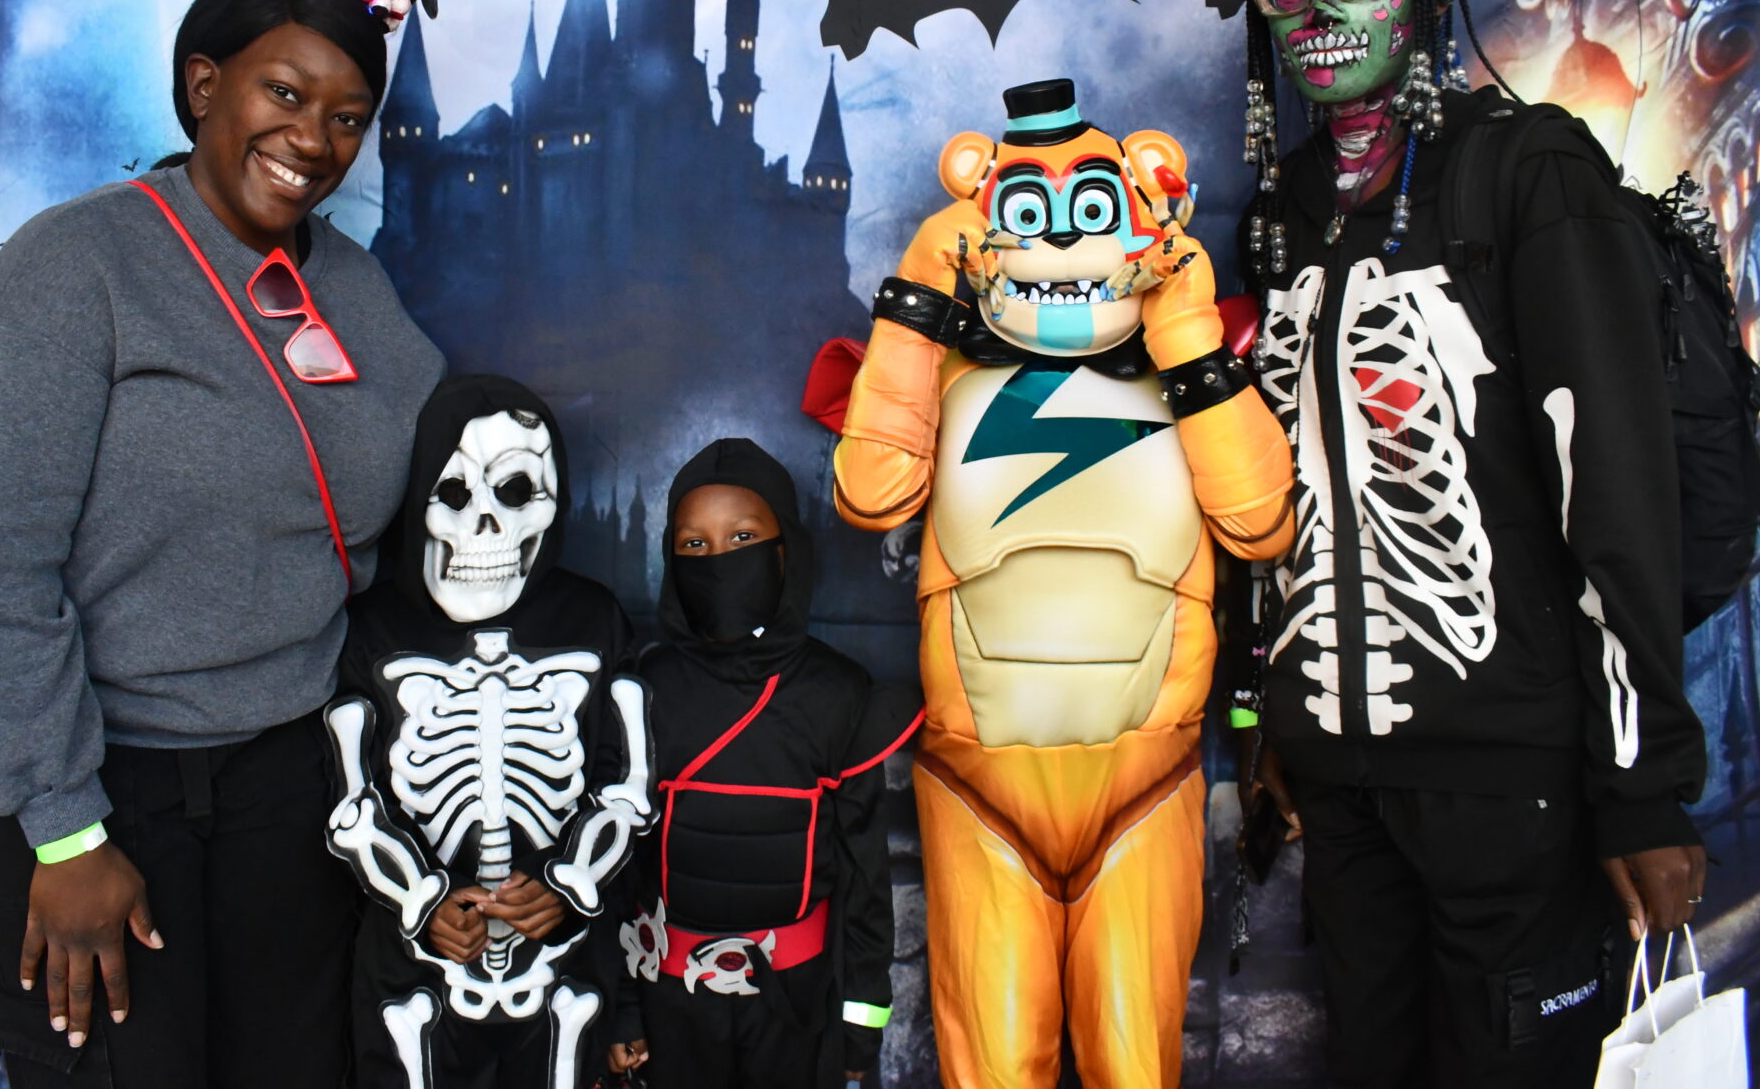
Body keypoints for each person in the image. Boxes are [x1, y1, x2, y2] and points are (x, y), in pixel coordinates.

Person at [1234, 0, 1708, 1088]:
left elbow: (1612, 487)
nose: (1320, 8)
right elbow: (1269, 489)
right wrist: (1273, 714)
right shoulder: (1280, 212)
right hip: (1335, 781)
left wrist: (1642, 788)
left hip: (1512, 778)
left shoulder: (1523, 168)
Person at [0, 0, 446, 1087]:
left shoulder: (355, 289)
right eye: (284, 94)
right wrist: (65, 831)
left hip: (288, 775)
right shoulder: (76, 265)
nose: (313, 140)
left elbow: (428, 479)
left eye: (347, 118)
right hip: (100, 778)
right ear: (205, 85)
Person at [828, 80, 1294, 1088]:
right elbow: (870, 492)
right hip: (979, 788)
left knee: (1135, 1063)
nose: (1062, 242)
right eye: (1027, 213)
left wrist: (1186, 326)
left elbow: (1260, 524)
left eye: (1091, 207)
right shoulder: (945, 373)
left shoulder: (1185, 378)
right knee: (993, 1064)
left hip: (1145, 782)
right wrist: (919, 288)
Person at [324, 374, 652, 1089]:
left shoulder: (591, 619)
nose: (485, 524)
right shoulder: (374, 628)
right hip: (413, 975)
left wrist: (571, 882)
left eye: (515, 492)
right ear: (419, 497)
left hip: (564, 968)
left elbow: (625, 783)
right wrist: (420, 900)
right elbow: (349, 799)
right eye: (452, 494)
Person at [607, 438, 921, 1088]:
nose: (718, 558)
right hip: (669, 1006)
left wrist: (861, 1023)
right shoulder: (644, 690)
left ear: (787, 550)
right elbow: (618, 869)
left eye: (743, 537)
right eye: (694, 544)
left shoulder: (838, 694)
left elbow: (865, 884)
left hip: (797, 1010)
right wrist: (621, 1007)